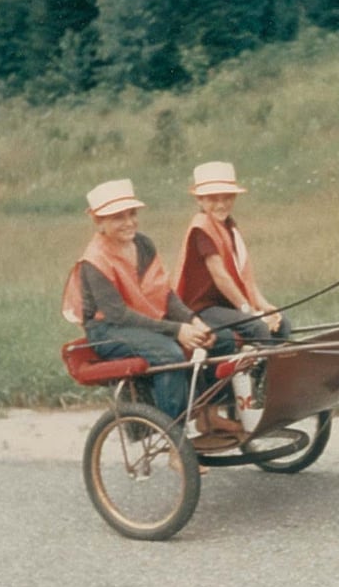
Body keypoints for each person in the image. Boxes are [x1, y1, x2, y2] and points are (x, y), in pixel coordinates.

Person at [61, 178, 240, 433]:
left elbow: (165, 294)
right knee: (169, 354)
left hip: (143, 321)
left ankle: (208, 416)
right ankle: (174, 438)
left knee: (220, 338)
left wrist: (192, 321)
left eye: (131, 214)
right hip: (108, 331)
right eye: (117, 217)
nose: (129, 222)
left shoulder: (143, 244)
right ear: (98, 221)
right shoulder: (94, 260)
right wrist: (177, 331)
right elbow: (118, 315)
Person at [172, 161, 291, 345]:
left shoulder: (229, 226)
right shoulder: (201, 229)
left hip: (225, 305)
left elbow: (245, 278)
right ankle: (262, 369)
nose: (221, 205)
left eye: (227, 198)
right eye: (213, 199)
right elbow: (221, 276)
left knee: (281, 321)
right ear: (199, 200)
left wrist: (264, 306)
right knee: (256, 327)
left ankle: (276, 369)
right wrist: (247, 310)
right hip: (203, 308)